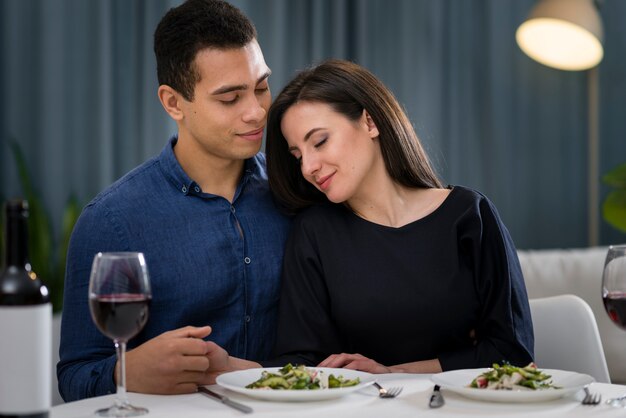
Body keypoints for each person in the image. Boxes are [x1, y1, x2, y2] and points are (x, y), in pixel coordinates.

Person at [202, 59, 534, 379]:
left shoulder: (471, 216)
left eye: (320, 141)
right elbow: (303, 362)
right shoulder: (315, 233)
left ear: (370, 122)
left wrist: (395, 372)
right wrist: (230, 367)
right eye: (298, 155)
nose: (308, 168)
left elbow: (512, 353)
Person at [57, 0, 291, 402]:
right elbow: (75, 376)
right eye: (229, 98)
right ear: (173, 102)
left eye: (261, 86)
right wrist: (123, 371)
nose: (256, 112)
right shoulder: (112, 221)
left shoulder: (296, 191)